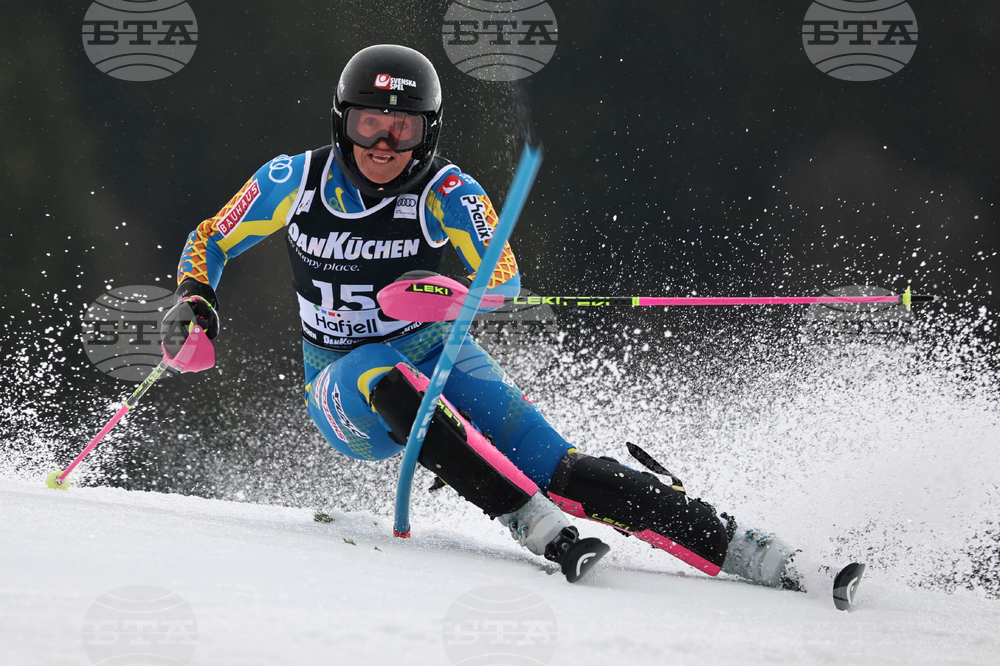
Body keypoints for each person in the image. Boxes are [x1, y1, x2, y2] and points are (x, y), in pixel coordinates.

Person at [162, 44, 804, 588]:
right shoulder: (292, 180)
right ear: (341, 122)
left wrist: (443, 292)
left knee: (562, 467)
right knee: (385, 378)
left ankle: (748, 549)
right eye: (368, 125)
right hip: (341, 385)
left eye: (403, 128)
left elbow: (504, 278)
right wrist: (197, 295)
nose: (384, 144)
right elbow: (211, 236)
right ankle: (527, 519)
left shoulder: (447, 191)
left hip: (438, 348)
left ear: (427, 131)